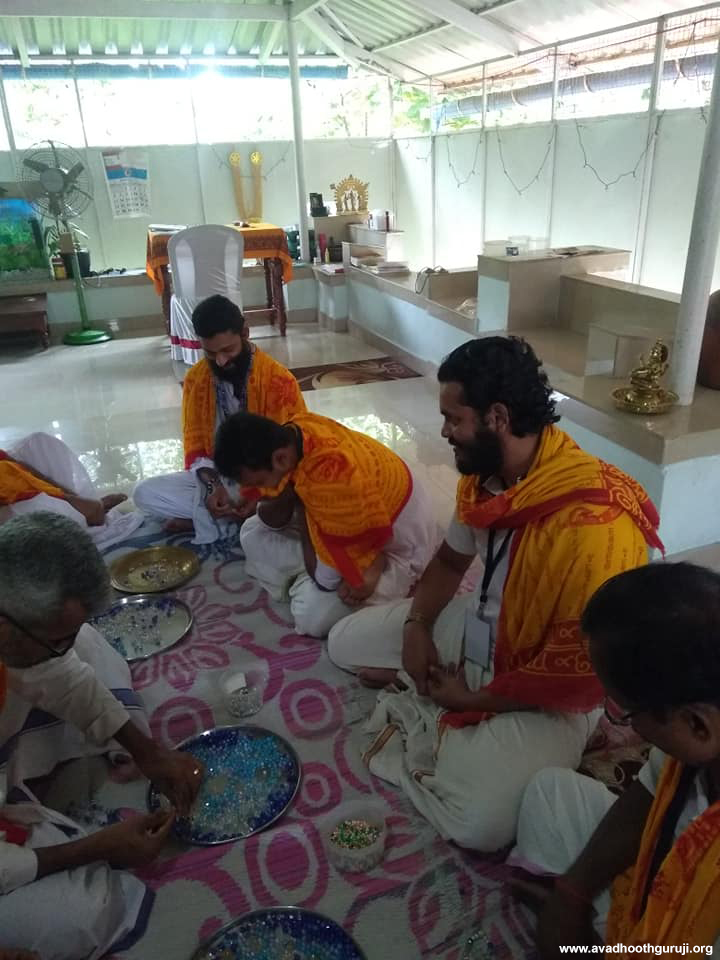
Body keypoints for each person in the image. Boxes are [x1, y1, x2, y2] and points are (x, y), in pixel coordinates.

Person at [330, 337, 662, 852]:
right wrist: (417, 627)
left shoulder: (593, 523)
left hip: (550, 692)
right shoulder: (486, 482)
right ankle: (440, 711)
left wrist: (470, 700)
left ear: (498, 417)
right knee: (342, 643)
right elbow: (449, 562)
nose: (444, 431)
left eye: (453, 418)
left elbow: (576, 677)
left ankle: (433, 715)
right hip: (483, 625)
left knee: (477, 824)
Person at [0, 513, 204, 958]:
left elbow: (62, 675)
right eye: (58, 639)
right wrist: (94, 849)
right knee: (89, 913)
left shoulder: (17, 623)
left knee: (87, 644)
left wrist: (146, 752)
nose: (64, 648)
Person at [512, 562, 720, 955]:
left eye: (626, 713)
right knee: (549, 791)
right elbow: (648, 793)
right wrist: (572, 894)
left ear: (696, 725)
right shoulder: (702, 718)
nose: (628, 725)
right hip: (672, 865)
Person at [213, 410, 439, 638]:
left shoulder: (329, 480)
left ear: (280, 459)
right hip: (354, 520)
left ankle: (364, 567)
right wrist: (286, 497)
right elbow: (271, 519)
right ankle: (305, 575)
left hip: (399, 547)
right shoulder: (296, 432)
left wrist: (301, 505)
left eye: (261, 482)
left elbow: (325, 582)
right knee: (251, 532)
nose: (259, 490)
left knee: (313, 616)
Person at [133, 294, 306, 543]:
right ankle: (230, 517)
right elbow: (196, 447)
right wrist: (213, 486)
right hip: (219, 476)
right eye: (211, 353)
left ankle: (212, 519)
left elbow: (292, 456)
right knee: (144, 493)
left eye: (228, 350)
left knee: (291, 504)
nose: (221, 361)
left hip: (266, 477)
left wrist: (256, 494)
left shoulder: (279, 381)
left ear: (245, 333)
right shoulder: (196, 379)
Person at [0, 433, 142, 551]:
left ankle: (83, 508)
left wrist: (63, 494)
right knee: (95, 510)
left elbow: (23, 469)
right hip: (12, 507)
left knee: (40, 441)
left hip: (31, 489)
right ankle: (91, 513)